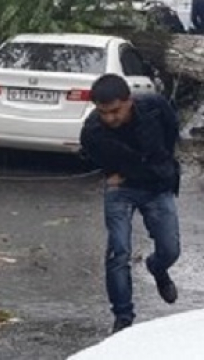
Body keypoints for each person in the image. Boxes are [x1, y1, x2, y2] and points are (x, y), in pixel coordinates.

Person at [79, 74, 181, 335]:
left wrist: (164, 167)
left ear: (129, 101)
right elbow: (92, 157)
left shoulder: (155, 108)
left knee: (170, 250)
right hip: (122, 189)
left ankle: (157, 268)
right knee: (118, 252)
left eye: (116, 111)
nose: (110, 118)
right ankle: (123, 317)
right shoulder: (92, 132)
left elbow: (171, 134)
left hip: (157, 185)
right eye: (104, 112)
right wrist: (109, 173)